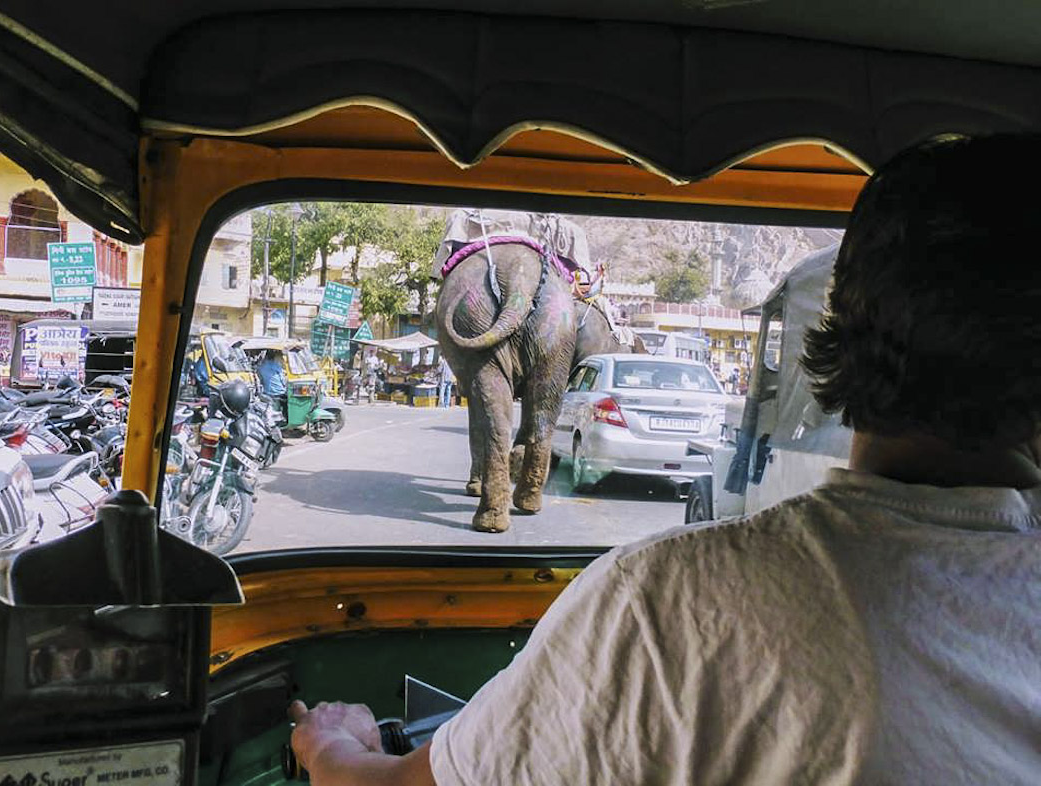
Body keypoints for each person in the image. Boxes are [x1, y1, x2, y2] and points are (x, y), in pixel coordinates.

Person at [288, 135, 1041, 784]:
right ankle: (520, 491)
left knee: (495, 403)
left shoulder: (666, 598)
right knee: (538, 415)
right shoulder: (572, 296)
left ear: (839, 328)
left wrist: (327, 747)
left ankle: (492, 492)